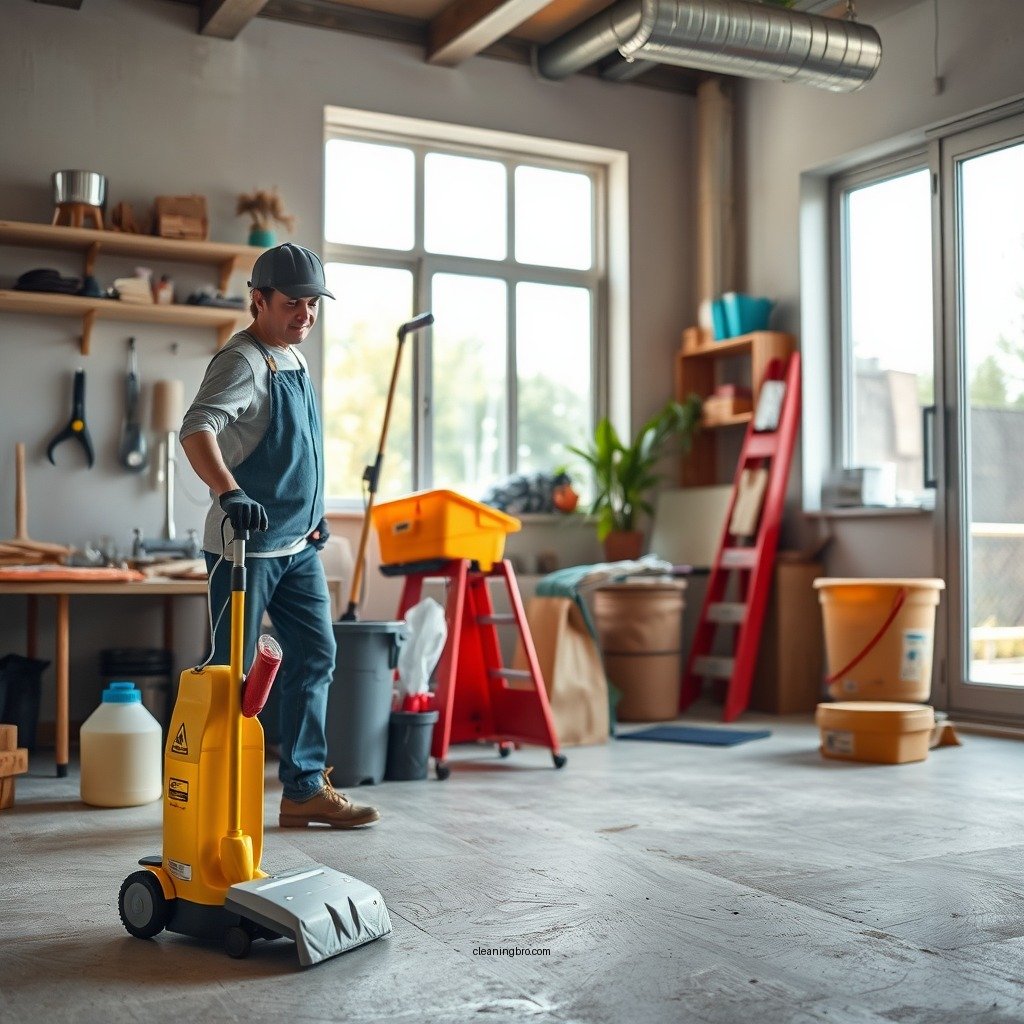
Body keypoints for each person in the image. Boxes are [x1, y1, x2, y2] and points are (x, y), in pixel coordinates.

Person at [180, 242, 379, 829]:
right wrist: (228, 491)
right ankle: (211, 789)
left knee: (316, 655)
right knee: (230, 676)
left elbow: (299, 449)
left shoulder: (294, 358)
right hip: (243, 551)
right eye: (293, 303)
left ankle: (303, 788)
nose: (306, 315)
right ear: (258, 300)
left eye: (314, 304)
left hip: (297, 547)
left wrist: (314, 512)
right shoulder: (242, 360)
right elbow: (197, 428)